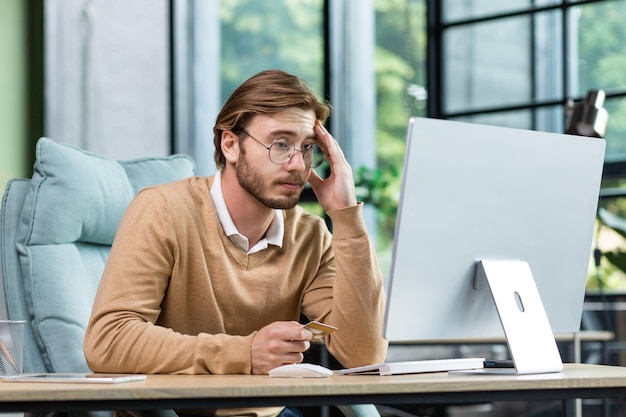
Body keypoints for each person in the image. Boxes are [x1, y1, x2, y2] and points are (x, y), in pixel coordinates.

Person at [84, 69, 388, 417]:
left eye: (307, 148)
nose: (297, 165)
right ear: (230, 144)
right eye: (280, 144)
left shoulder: (309, 235)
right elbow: (108, 341)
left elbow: (365, 353)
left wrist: (346, 216)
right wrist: (245, 353)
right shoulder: (163, 211)